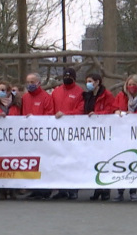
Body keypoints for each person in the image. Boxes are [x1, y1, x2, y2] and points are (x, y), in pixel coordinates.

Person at [113, 74, 137, 202]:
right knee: (122, 161)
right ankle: (120, 191)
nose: (131, 87)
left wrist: (135, 115)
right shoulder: (121, 96)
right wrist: (117, 112)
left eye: (134, 85)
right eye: (129, 84)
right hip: (122, 134)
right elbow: (114, 107)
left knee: (135, 162)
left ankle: (133, 190)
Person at [82, 72, 117, 202]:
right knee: (94, 160)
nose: (88, 84)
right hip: (92, 133)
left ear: (97, 82)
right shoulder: (87, 95)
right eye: (87, 81)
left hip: (104, 132)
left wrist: (97, 114)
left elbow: (111, 110)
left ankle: (106, 190)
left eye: (90, 81)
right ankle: (97, 188)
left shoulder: (106, 95)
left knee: (105, 160)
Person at [51, 67, 84, 200]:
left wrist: (67, 114)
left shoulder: (80, 92)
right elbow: (50, 109)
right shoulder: (56, 92)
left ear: (74, 78)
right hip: (58, 132)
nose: (67, 78)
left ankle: (73, 188)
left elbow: (81, 110)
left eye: (70, 76)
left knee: (73, 160)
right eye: (65, 76)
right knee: (59, 159)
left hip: (73, 131)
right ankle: (61, 188)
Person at [22, 73, 54, 199]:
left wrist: (36, 120)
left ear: (38, 83)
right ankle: (34, 187)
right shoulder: (24, 97)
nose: (30, 84)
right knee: (32, 161)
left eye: (32, 82)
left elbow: (49, 114)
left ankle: (45, 190)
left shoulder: (45, 97)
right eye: (28, 82)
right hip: (29, 136)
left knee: (44, 162)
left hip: (42, 136)